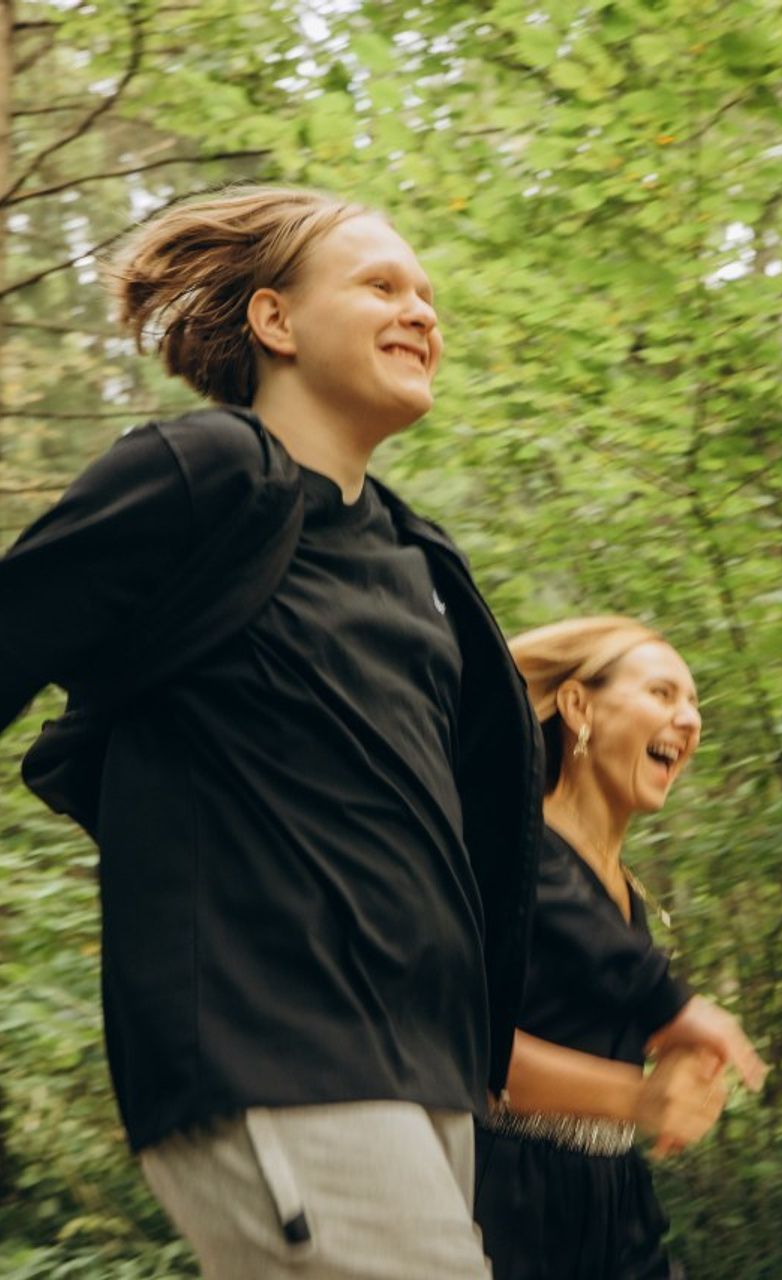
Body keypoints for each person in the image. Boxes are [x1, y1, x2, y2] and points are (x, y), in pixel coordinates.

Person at [0, 187, 543, 1277]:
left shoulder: (415, 560)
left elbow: (479, 833)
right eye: (381, 285)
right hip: (273, 1048)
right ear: (274, 322)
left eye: (428, 294)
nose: (421, 312)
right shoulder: (204, 475)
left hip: (422, 1072)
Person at [473, 616, 766, 1279]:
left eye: (694, 703)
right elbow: (468, 1048)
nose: (689, 720)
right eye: (664, 693)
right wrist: (638, 1089)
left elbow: (591, 1020)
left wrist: (683, 1063)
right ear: (579, 707)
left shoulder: (624, 894)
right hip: (510, 1206)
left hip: (614, 1198)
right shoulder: (518, 853)